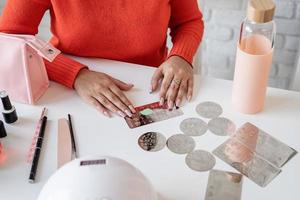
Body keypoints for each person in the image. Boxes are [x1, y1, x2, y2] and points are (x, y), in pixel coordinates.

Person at [0, 0, 204, 118]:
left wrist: (180, 57)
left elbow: (189, 22)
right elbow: (9, 37)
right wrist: (75, 74)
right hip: (66, 91)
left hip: (146, 87)